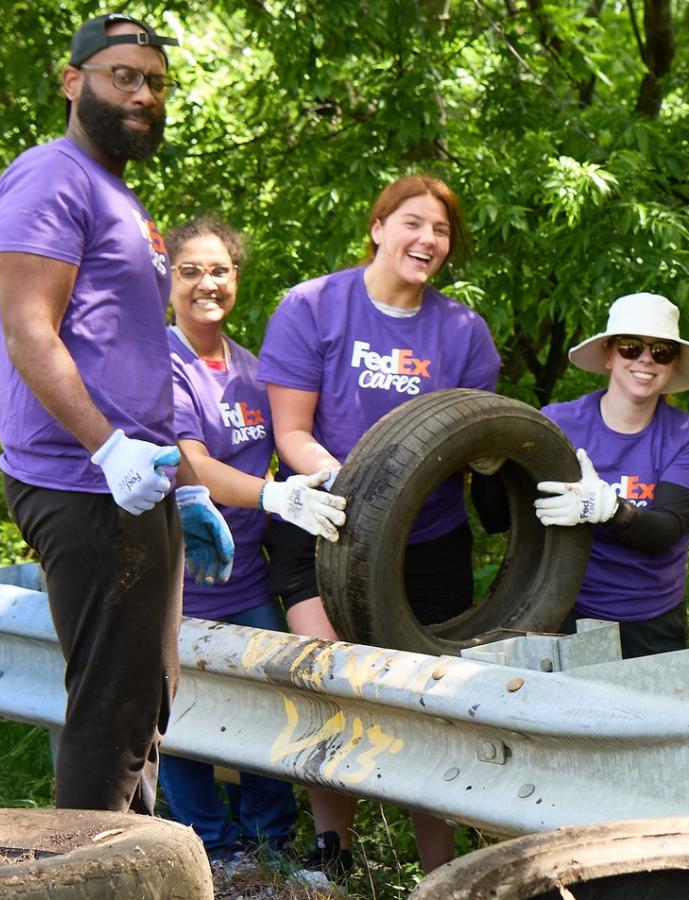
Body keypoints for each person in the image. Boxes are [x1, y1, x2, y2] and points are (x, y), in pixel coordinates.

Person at [0, 13, 234, 815]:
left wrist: (179, 483)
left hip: (136, 482)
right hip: (84, 480)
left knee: (144, 700)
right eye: (122, 75)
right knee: (114, 710)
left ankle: (129, 864)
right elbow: (30, 331)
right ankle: (83, 874)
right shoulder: (49, 176)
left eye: (155, 82)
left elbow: (120, 350)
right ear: (73, 81)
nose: (142, 94)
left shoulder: (118, 195)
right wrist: (109, 450)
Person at [258, 174, 501, 874]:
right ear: (378, 226)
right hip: (321, 521)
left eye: (442, 230)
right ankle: (333, 853)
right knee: (333, 683)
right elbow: (292, 433)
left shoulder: (462, 332)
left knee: (429, 703)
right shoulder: (312, 306)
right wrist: (352, 487)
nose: (427, 239)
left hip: (426, 541)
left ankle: (441, 872)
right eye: (413, 222)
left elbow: (479, 440)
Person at [161, 214, 345, 865]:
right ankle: (210, 846)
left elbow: (286, 447)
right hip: (178, 580)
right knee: (182, 718)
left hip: (247, 577)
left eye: (220, 269)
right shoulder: (163, 362)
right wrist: (274, 493)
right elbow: (192, 465)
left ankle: (270, 844)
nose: (207, 283)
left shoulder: (252, 368)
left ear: (237, 277)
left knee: (273, 702)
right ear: (168, 278)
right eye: (191, 271)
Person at [534, 293, 689, 659]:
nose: (646, 359)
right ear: (609, 355)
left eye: (661, 351)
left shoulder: (688, 439)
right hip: (563, 604)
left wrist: (611, 510)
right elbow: (503, 512)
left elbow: (664, 530)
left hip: (649, 621)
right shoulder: (558, 422)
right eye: (631, 347)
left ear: (672, 363)